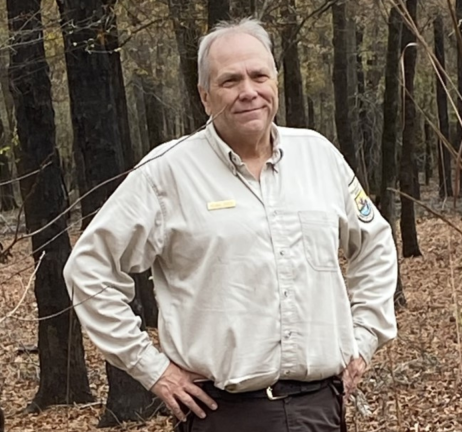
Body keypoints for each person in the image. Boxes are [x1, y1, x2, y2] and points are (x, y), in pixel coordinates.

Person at [64, 18, 397, 432]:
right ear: (205, 96)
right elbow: (89, 269)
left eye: (259, 75)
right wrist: (152, 368)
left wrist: (365, 338)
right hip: (220, 415)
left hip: (320, 409)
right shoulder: (165, 174)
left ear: (275, 81)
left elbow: (376, 244)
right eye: (230, 81)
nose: (248, 92)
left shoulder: (320, 157)